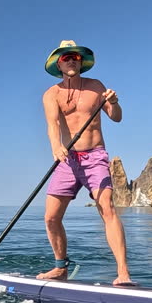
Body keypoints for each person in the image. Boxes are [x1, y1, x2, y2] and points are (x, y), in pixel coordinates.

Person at [37, 40, 134, 286]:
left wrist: (114, 101)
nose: (71, 60)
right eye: (66, 57)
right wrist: (56, 147)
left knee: (107, 208)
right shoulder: (51, 94)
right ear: (58, 63)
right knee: (51, 217)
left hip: (95, 156)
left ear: (81, 62)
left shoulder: (96, 86)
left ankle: (123, 273)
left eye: (76, 57)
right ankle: (60, 268)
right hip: (67, 159)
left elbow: (117, 118)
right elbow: (53, 125)